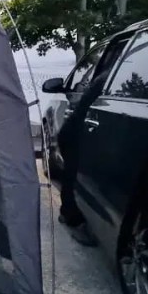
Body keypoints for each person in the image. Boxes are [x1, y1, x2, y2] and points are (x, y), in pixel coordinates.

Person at [56, 67, 111, 246]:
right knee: (71, 175)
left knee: (70, 175)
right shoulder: (110, 77)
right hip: (75, 132)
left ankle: (70, 214)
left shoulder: (107, 75)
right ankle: (72, 219)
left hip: (76, 130)